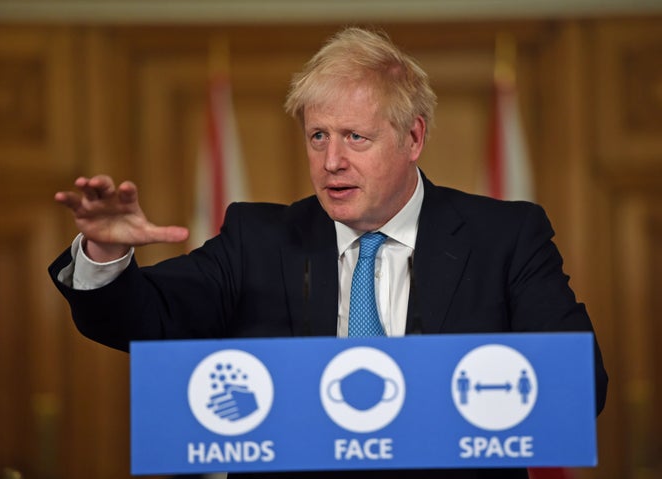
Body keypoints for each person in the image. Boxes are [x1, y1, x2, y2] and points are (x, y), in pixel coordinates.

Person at [49, 27, 607, 479]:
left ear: (413, 139)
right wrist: (103, 251)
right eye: (318, 136)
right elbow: (147, 321)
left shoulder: (504, 237)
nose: (331, 161)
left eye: (354, 138)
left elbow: (580, 385)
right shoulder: (257, 239)